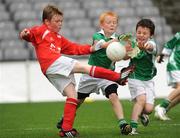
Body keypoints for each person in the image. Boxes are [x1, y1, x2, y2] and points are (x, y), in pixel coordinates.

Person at [19, 5, 135, 138]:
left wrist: (91, 49)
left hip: (49, 70)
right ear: (46, 22)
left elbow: (74, 48)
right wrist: (25, 34)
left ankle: (65, 130)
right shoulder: (41, 30)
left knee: (72, 95)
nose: (60, 24)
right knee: (84, 68)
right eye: (57, 21)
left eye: (61, 21)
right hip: (52, 62)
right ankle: (117, 77)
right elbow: (30, 34)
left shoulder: (59, 38)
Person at [127, 19, 157, 135]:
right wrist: (124, 51)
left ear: (150, 35)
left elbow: (150, 48)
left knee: (149, 109)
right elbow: (126, 56)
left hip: (148, 80)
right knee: (141, 100)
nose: (141, 35)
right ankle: (133, 128)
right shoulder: (132, 44)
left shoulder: (152, 44)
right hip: (134, 76)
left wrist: (145, 47)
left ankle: (142, 113)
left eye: (145, 33)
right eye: (139, 32)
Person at [154, 32, 180, 121]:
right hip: (175, 63)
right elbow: (169, 44)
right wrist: (161, 56)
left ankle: (164, 109)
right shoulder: (179, 35)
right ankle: (162, 107)